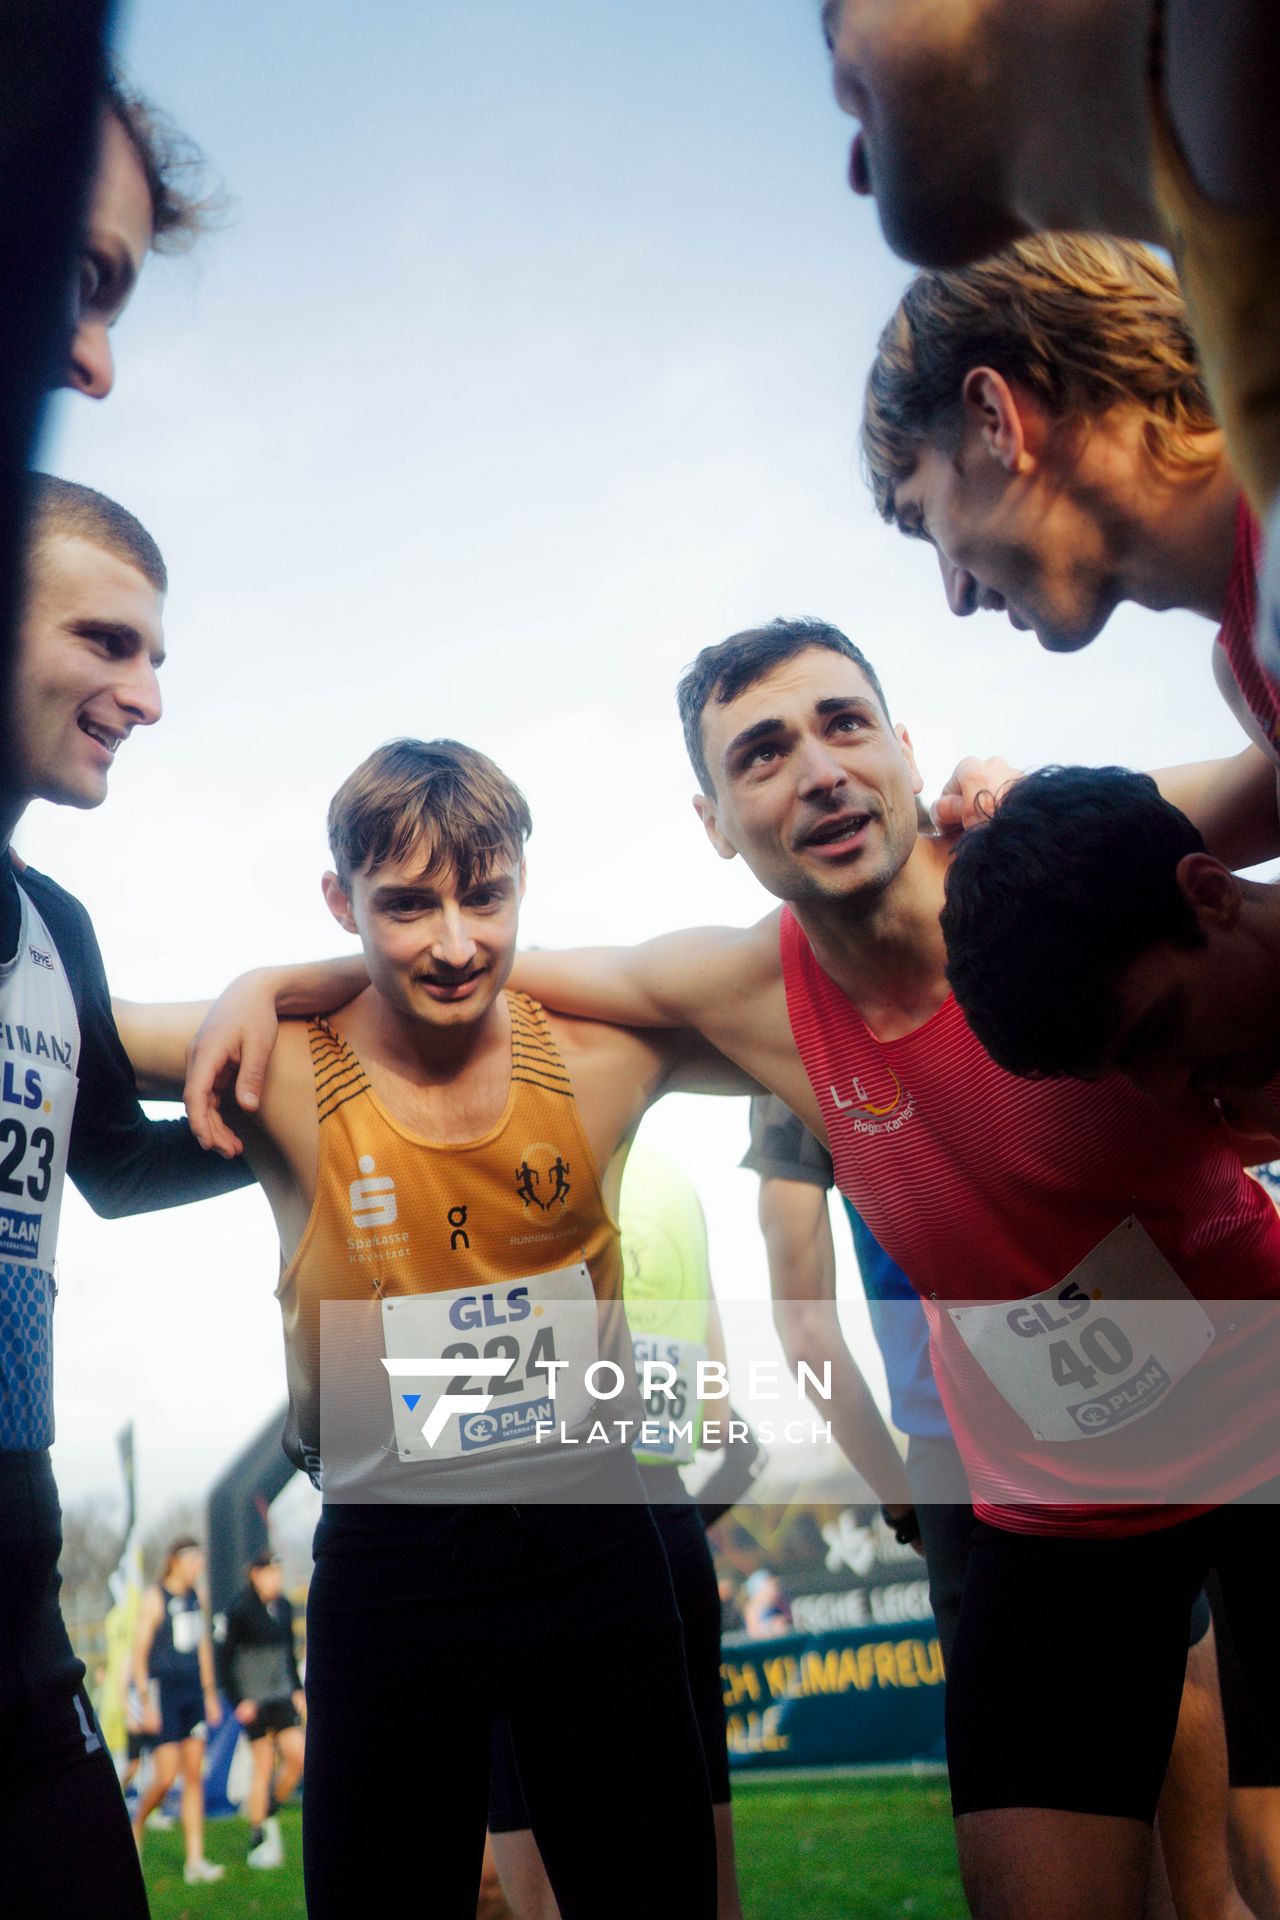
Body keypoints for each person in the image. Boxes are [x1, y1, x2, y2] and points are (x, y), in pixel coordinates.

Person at [189, 618, 1280, 1919]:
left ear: (907, 751)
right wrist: (278, 977)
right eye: (763, 754)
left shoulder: (1059, 855)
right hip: (1057, 1513)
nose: (817, 771)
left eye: (845, 725)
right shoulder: (743, 997)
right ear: (714, 822)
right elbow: (474, 962)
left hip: (1259, 1421)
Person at [121, 736, 753, 1919]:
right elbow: (73, 1028)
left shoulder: (600, 1055)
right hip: (389, 1571)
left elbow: (809, 981)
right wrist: (276, 987)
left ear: (523, 882)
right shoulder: (291, 1067)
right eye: (403, 907)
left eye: (486, 896)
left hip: (594, 1557)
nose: (454, 943)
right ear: (339, 901)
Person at [748, 1094, 1260, 1920]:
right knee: (1203, 1890)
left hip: (966, 1457)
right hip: (1123, 1400)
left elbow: (804, 1331)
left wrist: (902, 1498)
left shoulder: (795, 1041)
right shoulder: (1020, 981)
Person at [0, 478, 253, 1918]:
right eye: (107, 643)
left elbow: (115, 1166)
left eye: (155, 657)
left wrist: (294, 1112)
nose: (146, 696)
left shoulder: (56, 927)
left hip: (23, 1621)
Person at [862, 232, 1280, 864]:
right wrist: (1032, 818)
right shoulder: (1247, 666)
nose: (956, 595)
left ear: (995, 419)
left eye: (922, 519)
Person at [485, 1142, 746, 1920]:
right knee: (708, 1891)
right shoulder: (674, 1181)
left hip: (552, 1527)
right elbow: (721, 1417)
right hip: (669, 1524)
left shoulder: (524, 1165)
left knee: (545, 1900)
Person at [130, 1538, 223, 1885]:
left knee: (193, 1774)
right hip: (163, 1693)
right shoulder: (156, 1598)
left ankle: (195, 1860)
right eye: (192, 1558)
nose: (198, 1564)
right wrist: (144, 1700)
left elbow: (202, 1649)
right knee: (166, 1776)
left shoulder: (197, 1598)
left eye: (201, 1557)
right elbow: (138, 1654)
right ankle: (136, 1825)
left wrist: (210, 1693)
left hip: (192, 1694)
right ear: (174, 1561)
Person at [214, 1549, 305, 1871]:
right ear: (256, 1574)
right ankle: (259, 1836)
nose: (277, 1579)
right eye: (271, 1572)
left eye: (280, 1573)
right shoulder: (238, 1609)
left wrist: (297, 1690)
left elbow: (288, 1654)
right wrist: (239, 1701)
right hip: (253, 1699)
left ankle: (268, 1812)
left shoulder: (283, 1606)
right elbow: (222, 1660)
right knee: (263, 1763)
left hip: (280, 1694)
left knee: (297, 1756)